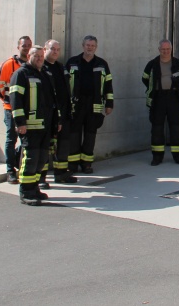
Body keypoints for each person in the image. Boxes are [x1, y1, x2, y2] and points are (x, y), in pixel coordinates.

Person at [9, 45, 58, 206]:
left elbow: (52, 101)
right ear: (29, 55)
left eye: (41, 56)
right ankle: (26, 191)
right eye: (35, 56)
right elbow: (15, 101)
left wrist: (56, 122)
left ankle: (34, 187)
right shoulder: (21, 74)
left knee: (42, 159)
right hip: (30, 126)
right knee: (30, 158)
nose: (39, 59)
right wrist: (20, 123)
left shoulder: (45, 74)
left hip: (45, 126)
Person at [65, 35, 113, 174]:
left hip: (95, 104)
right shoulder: (72, 62)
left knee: (90, 135)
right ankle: (72, 164)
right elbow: (65, 85)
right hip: (76, 105)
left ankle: (86, 163)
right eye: (87, 45)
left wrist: (109, 104)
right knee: (74, 134)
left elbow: (108, 85)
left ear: (96, 47)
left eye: (92, 45)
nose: (90, 48)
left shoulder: (102, 64)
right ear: (83, 46)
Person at [143, 39, 179, 165]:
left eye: (168, 49)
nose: (166, 51)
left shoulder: (178, 64)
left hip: (174, 97)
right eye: (163, 49)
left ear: (171, 49)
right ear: (159, 50)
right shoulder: (152, 64)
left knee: (177, 127)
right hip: (158, 98)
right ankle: (157, 157)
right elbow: (145, 78)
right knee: (157, 128)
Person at [0, 35, 32, 184]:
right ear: (18, 47)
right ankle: (10, 170)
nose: (27, 48)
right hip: (11, 109)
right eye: (24, 45)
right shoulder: (10, 64)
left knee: (26, 140)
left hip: (27, 110)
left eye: (29, 45)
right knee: (11, 138)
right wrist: (8, 100)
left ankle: (20, 164)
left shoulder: (31, 65)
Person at [42, 39, 77, 185]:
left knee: (63, 145)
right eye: (52, 49)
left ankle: (61, 173)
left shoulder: (61, 67)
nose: (55, 52)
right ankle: (41, 177)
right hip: (47, 115)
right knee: (44, 147)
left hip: (63, 113)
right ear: (45, 49)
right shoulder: (41, 68)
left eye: (58, 49)